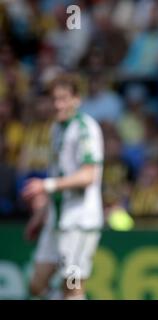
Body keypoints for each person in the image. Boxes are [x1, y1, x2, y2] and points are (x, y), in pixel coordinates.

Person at [22, 73, 104, 300]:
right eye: (54, 99)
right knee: (37, 284)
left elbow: (89, 175)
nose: (58, 105)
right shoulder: (56, 130)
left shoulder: (85, 128)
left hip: (79, 221)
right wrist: (41, 213)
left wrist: (46, 186)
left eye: (64, 98)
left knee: (72, 286)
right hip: (56, 219)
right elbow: (59, 174)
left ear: (77, 99)